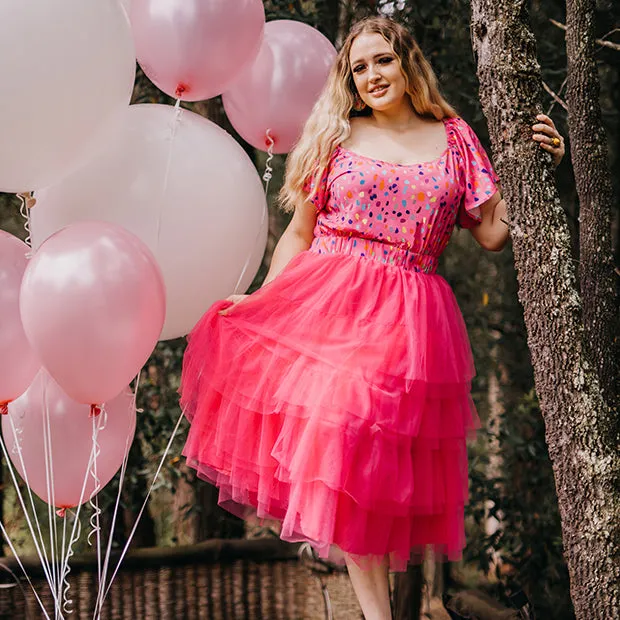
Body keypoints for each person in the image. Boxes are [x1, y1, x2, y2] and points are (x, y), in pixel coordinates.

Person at [179, 16, 564, 620]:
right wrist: (262, 299)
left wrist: (536, 169)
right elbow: (299, 234)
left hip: (411, 316)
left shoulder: (455, 137)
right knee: (343, 437)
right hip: (330, 300)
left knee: (376, 471)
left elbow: (491, 231)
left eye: (381, 60)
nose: (371, 76)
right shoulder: (334, 134)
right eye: (358, 67)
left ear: (407, 61)